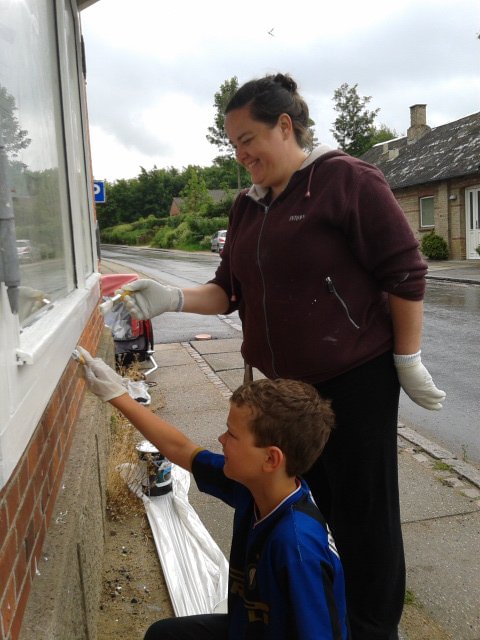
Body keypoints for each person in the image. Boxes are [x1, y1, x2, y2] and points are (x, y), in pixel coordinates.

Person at [116, 73, 446, 639]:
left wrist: (406, 358)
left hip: (356, 380)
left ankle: (372, 627)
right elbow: (226, 291)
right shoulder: (247, 208)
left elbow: (406, 272)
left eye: (248, 139)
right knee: (302, 505)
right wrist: (170, 298)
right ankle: (308, 614)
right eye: (233, 144)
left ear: (285, 126)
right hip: (289, 391)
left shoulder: (346, 180)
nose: (240, 154)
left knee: (363, 513)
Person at [76, 346, 349, 640]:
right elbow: (182, 449)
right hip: (247, 627)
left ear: (271, 459)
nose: (221, 439)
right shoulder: (255, 487)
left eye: (232, 434)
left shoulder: (296, 549)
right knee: (164, 635)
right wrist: (117, 395)